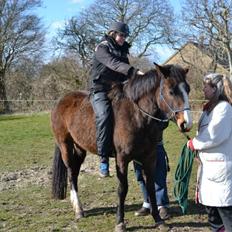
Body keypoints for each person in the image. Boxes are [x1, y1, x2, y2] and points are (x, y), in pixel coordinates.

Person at [89, 21, 142, 177]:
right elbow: (114, 64)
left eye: (125, 36)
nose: (123, 39)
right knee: (104, 115)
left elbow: (125, 74)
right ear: (112, 33)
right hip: (100, 90)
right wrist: (133, 71)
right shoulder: (102, 47)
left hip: (117, 90)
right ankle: (103, 159)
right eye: (121, 35)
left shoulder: (123, 51)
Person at [187, 73, 232, 232]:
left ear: (215, 89)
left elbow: (214, 135)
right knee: (212, 214)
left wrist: (194, 143)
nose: (203, 88)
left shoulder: (224, 108)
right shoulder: (209, 110)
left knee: (225, 213)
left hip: (220, 168)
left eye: (206, 86)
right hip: (209, 169)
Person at [133, 120, 170, 220]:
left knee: (159, 176)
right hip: (137, 147)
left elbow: (164, 122)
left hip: (155, 145)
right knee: (140, 176)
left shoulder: (158, 107)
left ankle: (161, 205)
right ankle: (147, 203)